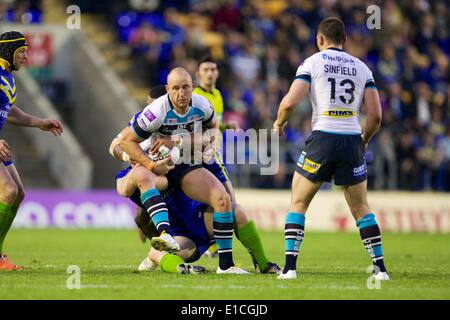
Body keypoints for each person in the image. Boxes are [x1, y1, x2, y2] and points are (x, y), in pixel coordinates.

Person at [273, 17, 389, 280]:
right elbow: (376, 116)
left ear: (320, 39)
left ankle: (290, 268)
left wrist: (279, 122)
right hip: (351, 140)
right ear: (344, 40)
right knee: (361, 208)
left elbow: (290, 102)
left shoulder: (312, 62)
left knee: (299, 202)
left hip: (323, 137)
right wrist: (365, 139)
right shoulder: (362, 68)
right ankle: (380, 269)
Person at [119, 67, 246, 274]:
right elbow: (125, 142)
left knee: (223, 200)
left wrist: (205, 145)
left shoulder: (202, 105)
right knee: (141, 215)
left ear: (193, 87)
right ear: (168, 90)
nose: (181, 93)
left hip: (186, 165)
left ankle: (226, 266)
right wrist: (150, 165)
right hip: (158, 169)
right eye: (176, 88)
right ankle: (157, 248)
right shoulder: (156, 111)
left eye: (186, 87)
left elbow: (211, 129)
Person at [0, 31, 63, 271]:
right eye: (22, 52)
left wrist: (39, 122)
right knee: (8, 190)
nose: (26, 57)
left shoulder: (8, 78)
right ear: (9, 51)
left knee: (18, 193)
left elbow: (10, 110)